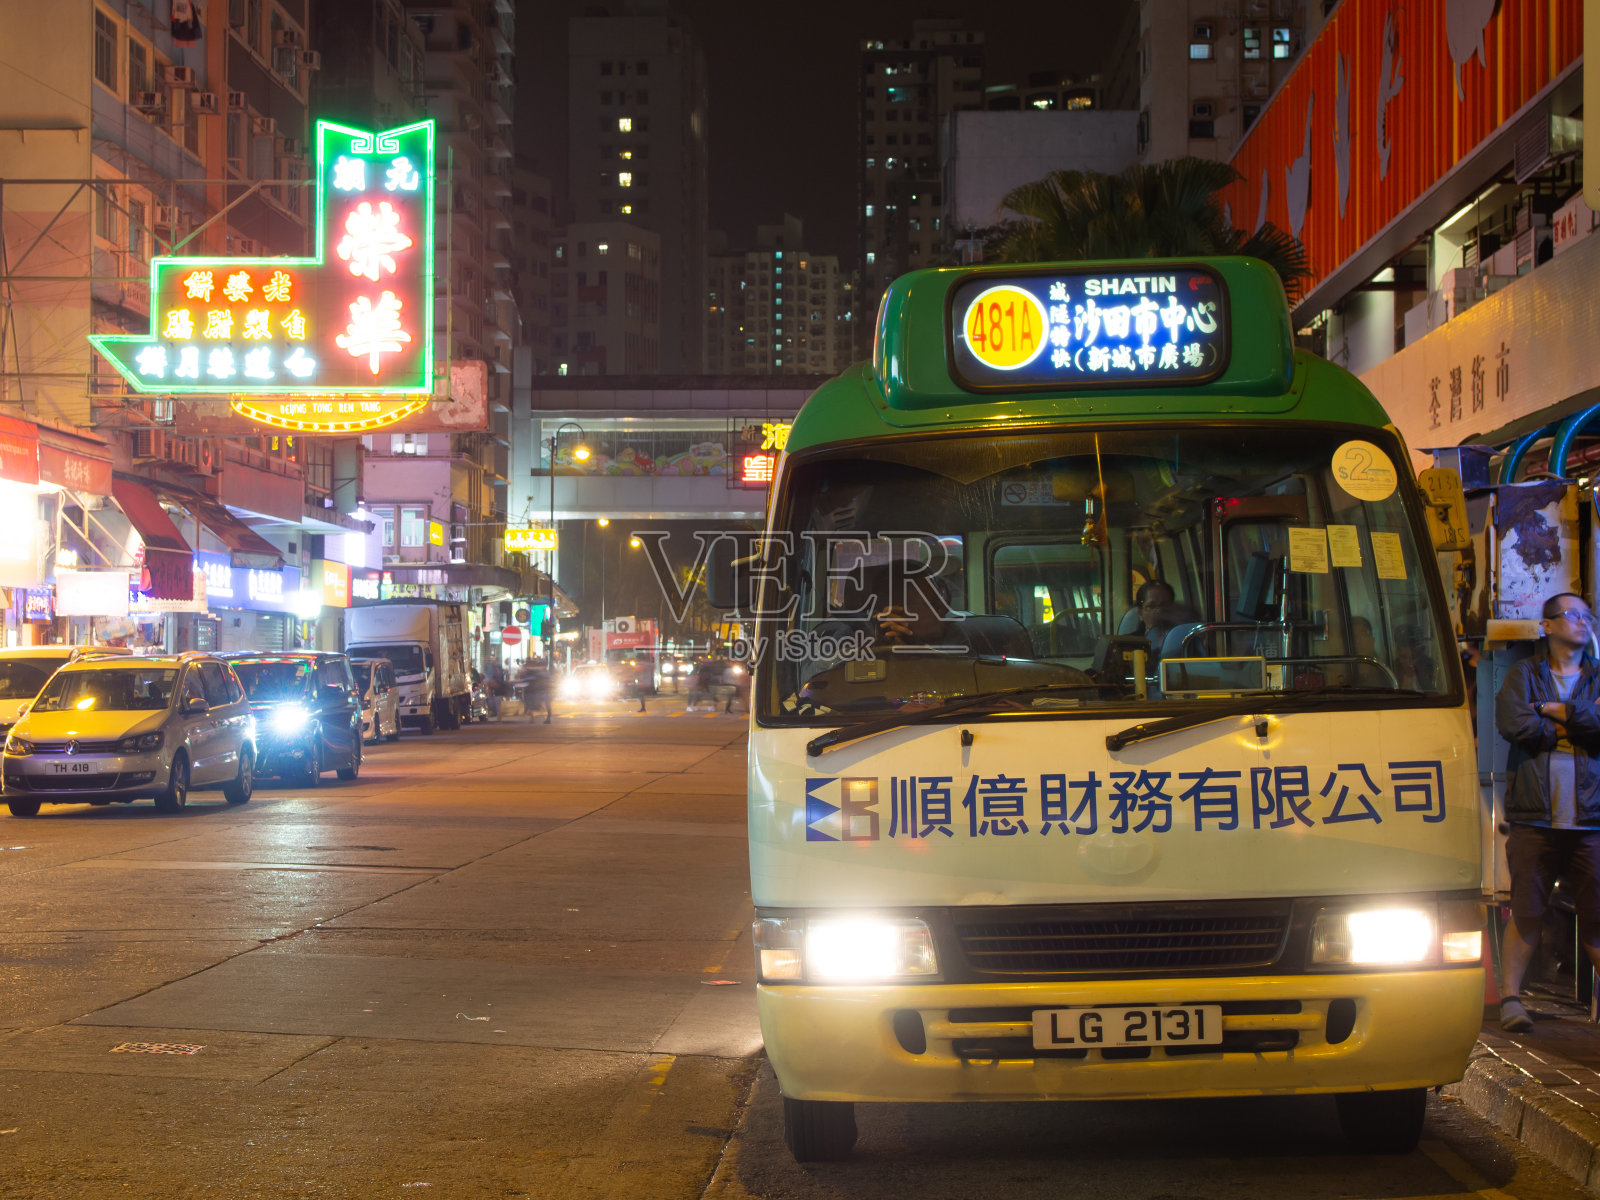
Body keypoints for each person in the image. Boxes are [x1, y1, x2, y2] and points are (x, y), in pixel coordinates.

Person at [1494, 591, 1600, 1032]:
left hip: (1590, 819)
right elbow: (1512, 722)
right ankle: (1510, 1001)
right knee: (1527, 909)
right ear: (1548, 625)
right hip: (1533, 816)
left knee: (1597, 915)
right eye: (1572, 615)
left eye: (1586, 615)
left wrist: (1555, 712)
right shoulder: (1524, 674)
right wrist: (1576, 723)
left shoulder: (1597, 676)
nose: (1582, 621)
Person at [517, 658, 553, 724]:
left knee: (542, 704)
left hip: (542, 690)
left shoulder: (539, 672)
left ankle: (546, 717)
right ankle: (534, 717)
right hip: (538, 690)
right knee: (535, 703)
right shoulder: (533, 671)